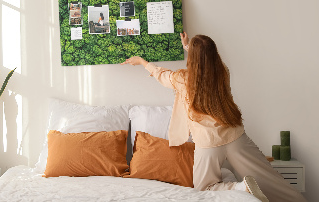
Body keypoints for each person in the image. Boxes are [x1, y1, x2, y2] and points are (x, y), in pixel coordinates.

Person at [121, 33, 306, 202]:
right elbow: (204, 61)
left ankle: (240, 188)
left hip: (208, 144)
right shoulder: (222, 73)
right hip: (235, 136)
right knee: (267, 178)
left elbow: (162, 75)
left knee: (204, 188)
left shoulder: (183, 79)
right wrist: (189, 47)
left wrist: (142, 62)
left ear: (193, 58)